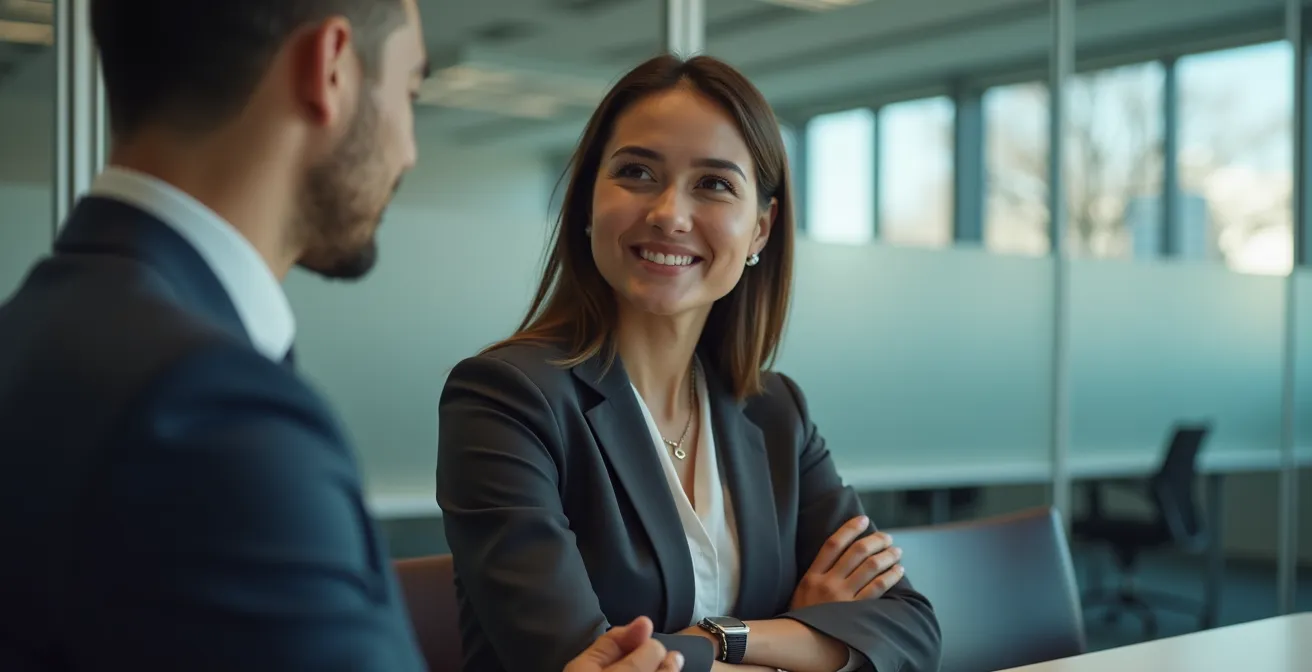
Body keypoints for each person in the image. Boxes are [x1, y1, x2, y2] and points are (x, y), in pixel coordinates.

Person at [0, 2, 681, 671]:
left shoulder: (36, 330)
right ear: (331, 69)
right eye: (410, 91)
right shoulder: (212, 411)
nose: (409, 151)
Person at [437, 54, 942, 672]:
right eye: (637, 172)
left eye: (714, 183)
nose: (669, 214)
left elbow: (908, 630)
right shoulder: (506, 400)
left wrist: (724, 638)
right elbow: (586, 666)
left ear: (761, 227)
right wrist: (797, 633)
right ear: (588, 200)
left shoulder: (776, 411)